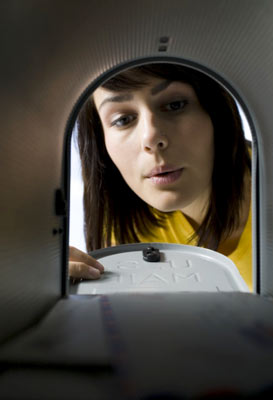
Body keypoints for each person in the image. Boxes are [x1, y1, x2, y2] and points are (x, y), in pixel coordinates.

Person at [69, 63, 252, 289]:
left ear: (216, 111)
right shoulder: (126, 220)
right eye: (123, 120)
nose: (151, 137)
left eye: (175, 105)